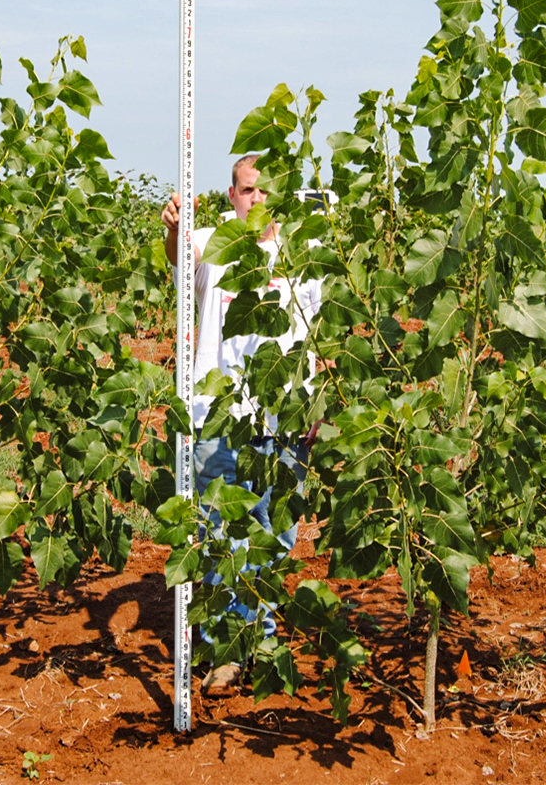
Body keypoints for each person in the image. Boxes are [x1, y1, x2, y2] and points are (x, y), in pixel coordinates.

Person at [160, 153, 322, 695]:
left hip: (285, 420)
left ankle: (262, 640)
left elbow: (317, 335)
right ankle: (222, 650)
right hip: (219, 418)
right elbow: (182, 258)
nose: (257, 200)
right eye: (248, 191)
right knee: (219, 537)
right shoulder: (216, 243)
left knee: (275, 539)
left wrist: (315, 403)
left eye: (266, 192)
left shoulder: (302, 254)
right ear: (232, 196)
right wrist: (176, 231)